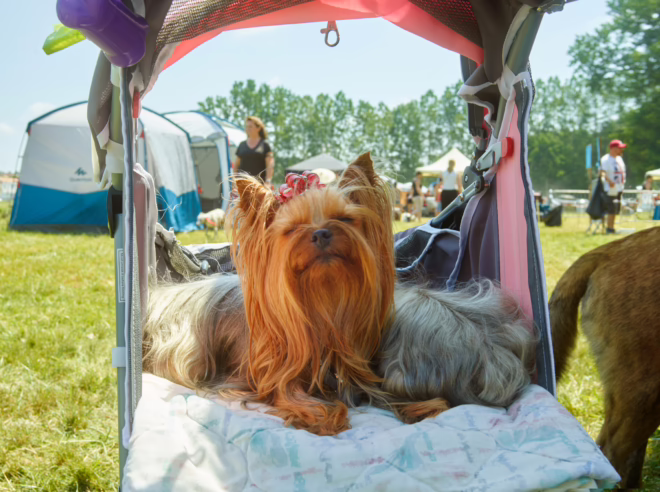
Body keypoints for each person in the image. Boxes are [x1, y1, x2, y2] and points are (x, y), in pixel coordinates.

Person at [234, 116, 275, 186]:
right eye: (247, 126)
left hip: (259, 186)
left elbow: (270, 165)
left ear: (258, 128)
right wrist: (234, 182)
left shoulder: (265, 145)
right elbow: (236, 166)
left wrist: (268, 181)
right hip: (242, 185)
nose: (248, 129)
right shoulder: (241, 145)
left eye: (250, 126)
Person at [600, 139, 627, 234]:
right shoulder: (605, 159)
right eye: (620, 148)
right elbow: (602, 173)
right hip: (610, 188)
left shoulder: (619, 159)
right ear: (613, 148)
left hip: (619, 188)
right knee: (611, 208)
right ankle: (609, 228)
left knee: (616, 209)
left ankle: (612, 227)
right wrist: (609, 181)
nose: (621, 150)